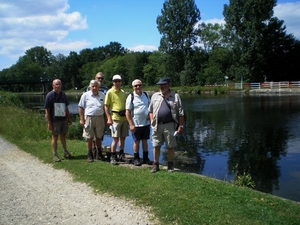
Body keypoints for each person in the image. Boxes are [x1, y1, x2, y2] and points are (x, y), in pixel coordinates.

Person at [148, 78, 184, 172]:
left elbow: (181, 113)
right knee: (156, 145)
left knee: (170, 146)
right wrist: (152, 121)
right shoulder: (155, 96)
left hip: (170, 125)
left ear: (168, 85)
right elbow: (150, 111)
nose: (161, 87)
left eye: (163, 85)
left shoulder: (175, 96)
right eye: (160, 85)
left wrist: (180, 126)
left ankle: (170, 165)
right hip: (157, 125)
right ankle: (155, 165)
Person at [44, 79, 73, 162]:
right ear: (53, 86)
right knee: (55, 137)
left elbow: (66, 107)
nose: (58, 86)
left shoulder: (63, 94)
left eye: (59, 84)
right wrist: (49, 122)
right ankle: (55, 154)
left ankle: (65, 152)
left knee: (63, 136)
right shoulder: (50, 95)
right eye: (56, 84)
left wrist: (69, 118)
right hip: (54, 120)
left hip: (63, 119)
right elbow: (47, 110)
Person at [125, 79, 152, 166]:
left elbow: (150, 107)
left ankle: (145, 158)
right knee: (136, 141)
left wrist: (150, 115)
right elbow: (127, 112)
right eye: (136, 86)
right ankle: (136, 158)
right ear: (133, 87)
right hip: (136, 124)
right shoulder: (131, 97)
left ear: (142, 86)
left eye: (139, 85)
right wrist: (131, 124)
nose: (138, 87)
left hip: (146, 123)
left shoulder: (146, 95)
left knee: (145, 141)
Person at [78, 80, 106, 162]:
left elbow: (105, 107)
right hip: (89, 118)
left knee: (99, 137)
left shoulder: (102, 95)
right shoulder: (85, 95)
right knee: (89, 137)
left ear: (99, 87)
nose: (94, 88)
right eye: (93, 86)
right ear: (90, 87)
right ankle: (90, 155)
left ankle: (99, 153)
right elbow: (80, 107)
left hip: (100, 117)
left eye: (96, 86)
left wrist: (107, 118)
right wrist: (81, 119)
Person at [104, 74, 128, 165]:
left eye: (119, 81)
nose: (117, 83)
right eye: (115, 81)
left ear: (121, 82)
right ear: (113, 82)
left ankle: (121, 154)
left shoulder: (123, 92)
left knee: (123, 138)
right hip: (115, 118)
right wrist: (109, 118)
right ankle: (113, 156)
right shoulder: (110, 92)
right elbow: (106, 106)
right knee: (115, 139)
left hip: (124, 117)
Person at [85, 72, 108, 155]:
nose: (100, 79)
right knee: (91, 135)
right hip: (90, 115)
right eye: (99, 78)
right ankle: (93, 149)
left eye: (102, 78)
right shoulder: (89, 88)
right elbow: (85, 103)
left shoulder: (105, 89)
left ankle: (98, 150)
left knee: (100, 133)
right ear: (95, 78)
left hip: (102, 114)